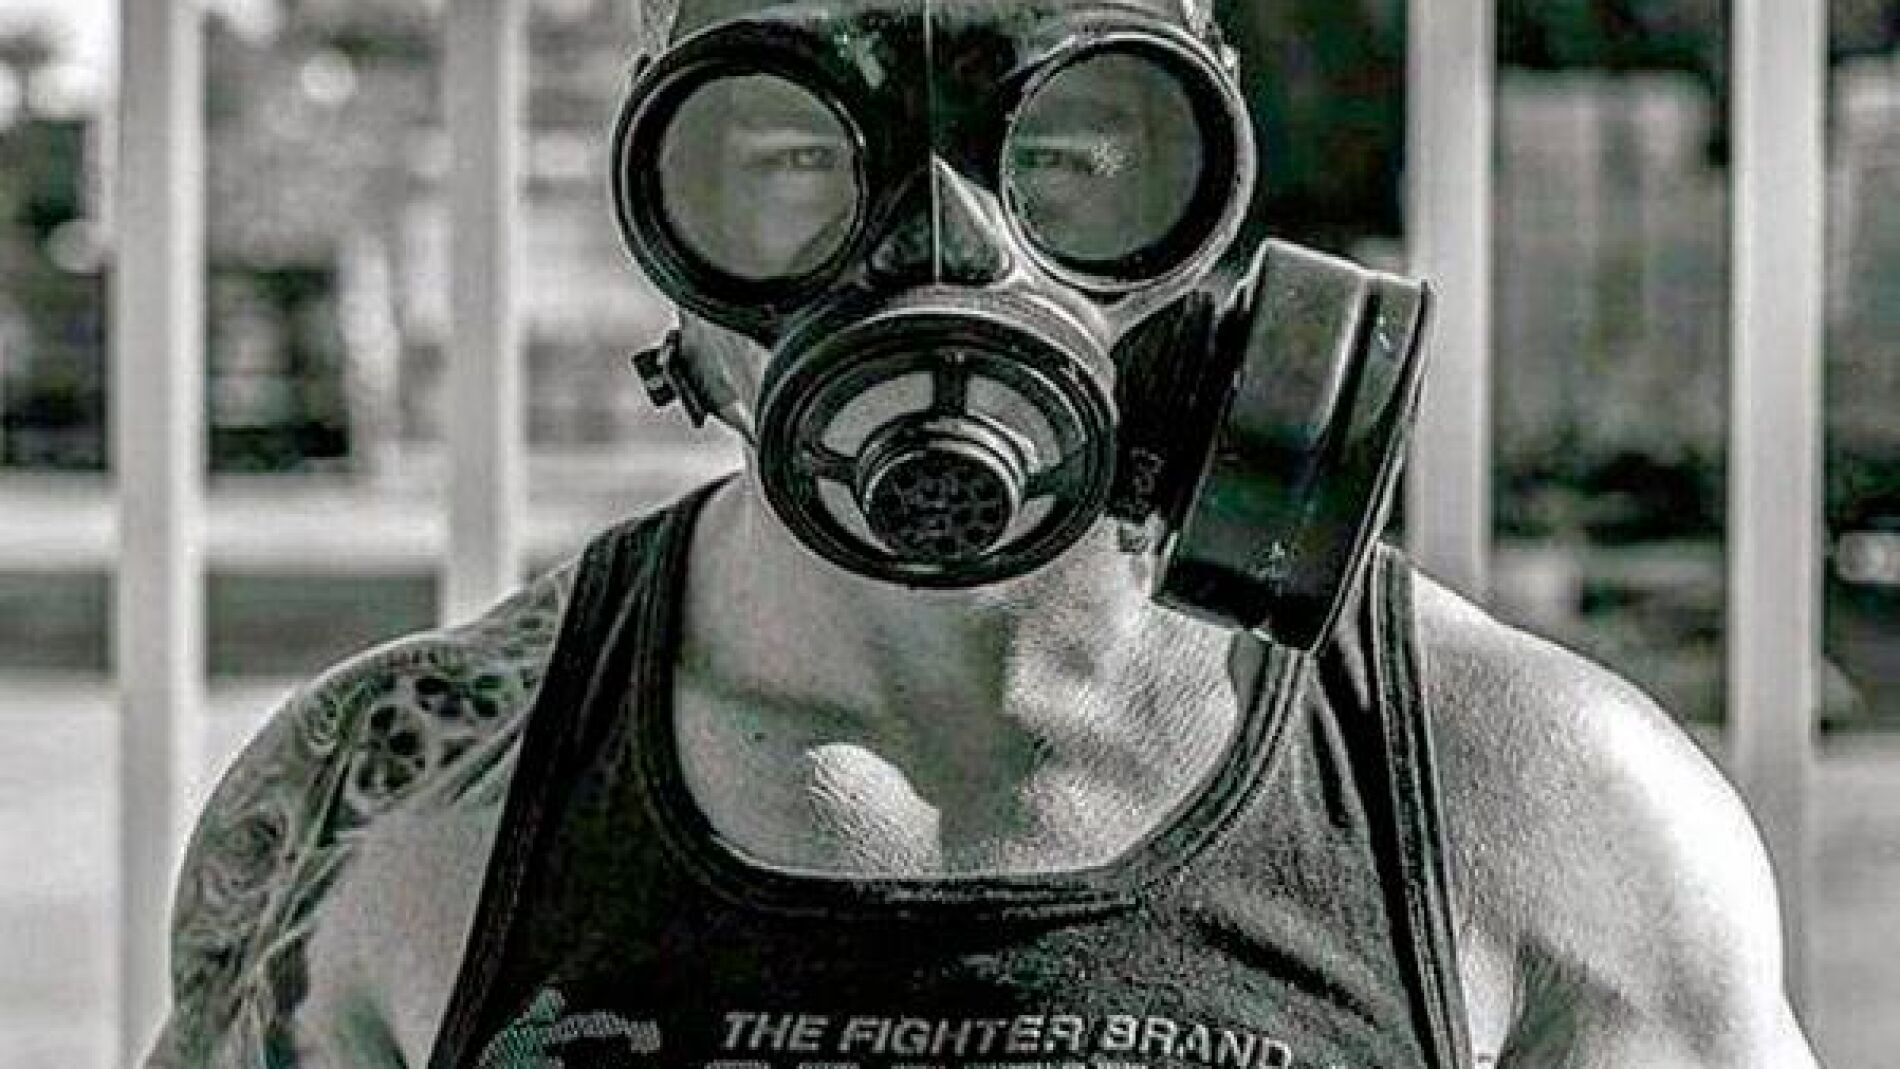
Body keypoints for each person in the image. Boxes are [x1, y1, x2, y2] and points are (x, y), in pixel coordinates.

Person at [146, 0, 1822, 1065]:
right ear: (674, 236)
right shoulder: (398, 823)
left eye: (1071, 151)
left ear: (1206, 206)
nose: (944, 248)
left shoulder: (1537, 809)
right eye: (796, 155)